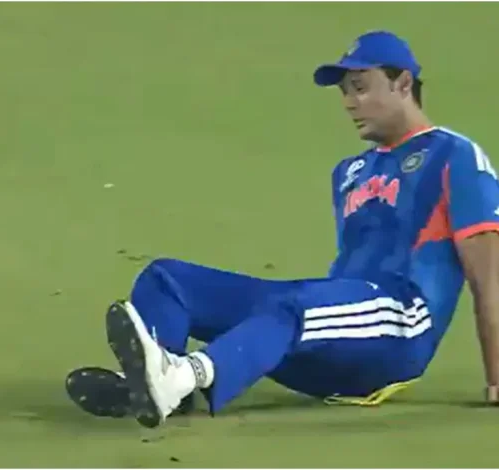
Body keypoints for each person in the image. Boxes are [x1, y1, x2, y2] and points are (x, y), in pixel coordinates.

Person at [65, 30, 499, 428]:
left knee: (294, 306)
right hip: (336, 326)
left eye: (360, 87)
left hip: (400, 327)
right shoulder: (350, 173)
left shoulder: (454, 156)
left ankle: (181, 377)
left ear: (402, 84)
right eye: (345, 92)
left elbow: (489, 277)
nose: (349, 103)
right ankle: (154, 384)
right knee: (167, 280)